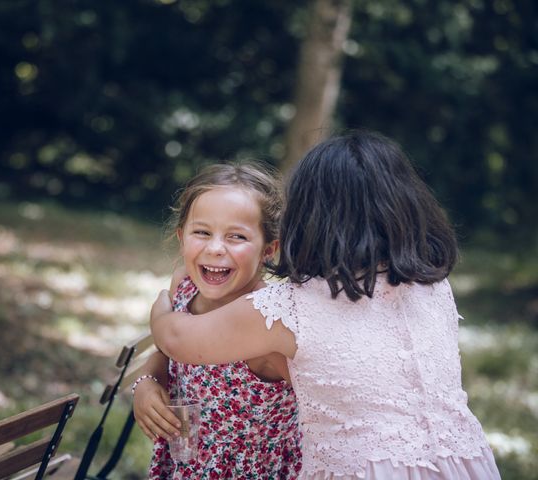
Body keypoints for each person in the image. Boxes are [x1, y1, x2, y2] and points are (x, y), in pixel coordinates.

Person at [151, 130, 501, 480]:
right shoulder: (435, 286)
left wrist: (163, 302)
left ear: (309, 218)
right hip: (463, 463)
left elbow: (177, 338)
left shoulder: (290, 306)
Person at [134, 163, 302, 479]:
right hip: (187, 465)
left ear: (269, 249)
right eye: (202, 232)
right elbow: (168, 352)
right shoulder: (183, 285)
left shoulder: (267, 322)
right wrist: (147, 383)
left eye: (236, 236)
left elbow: (321, 400)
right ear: (181, 236)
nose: (215, 249)